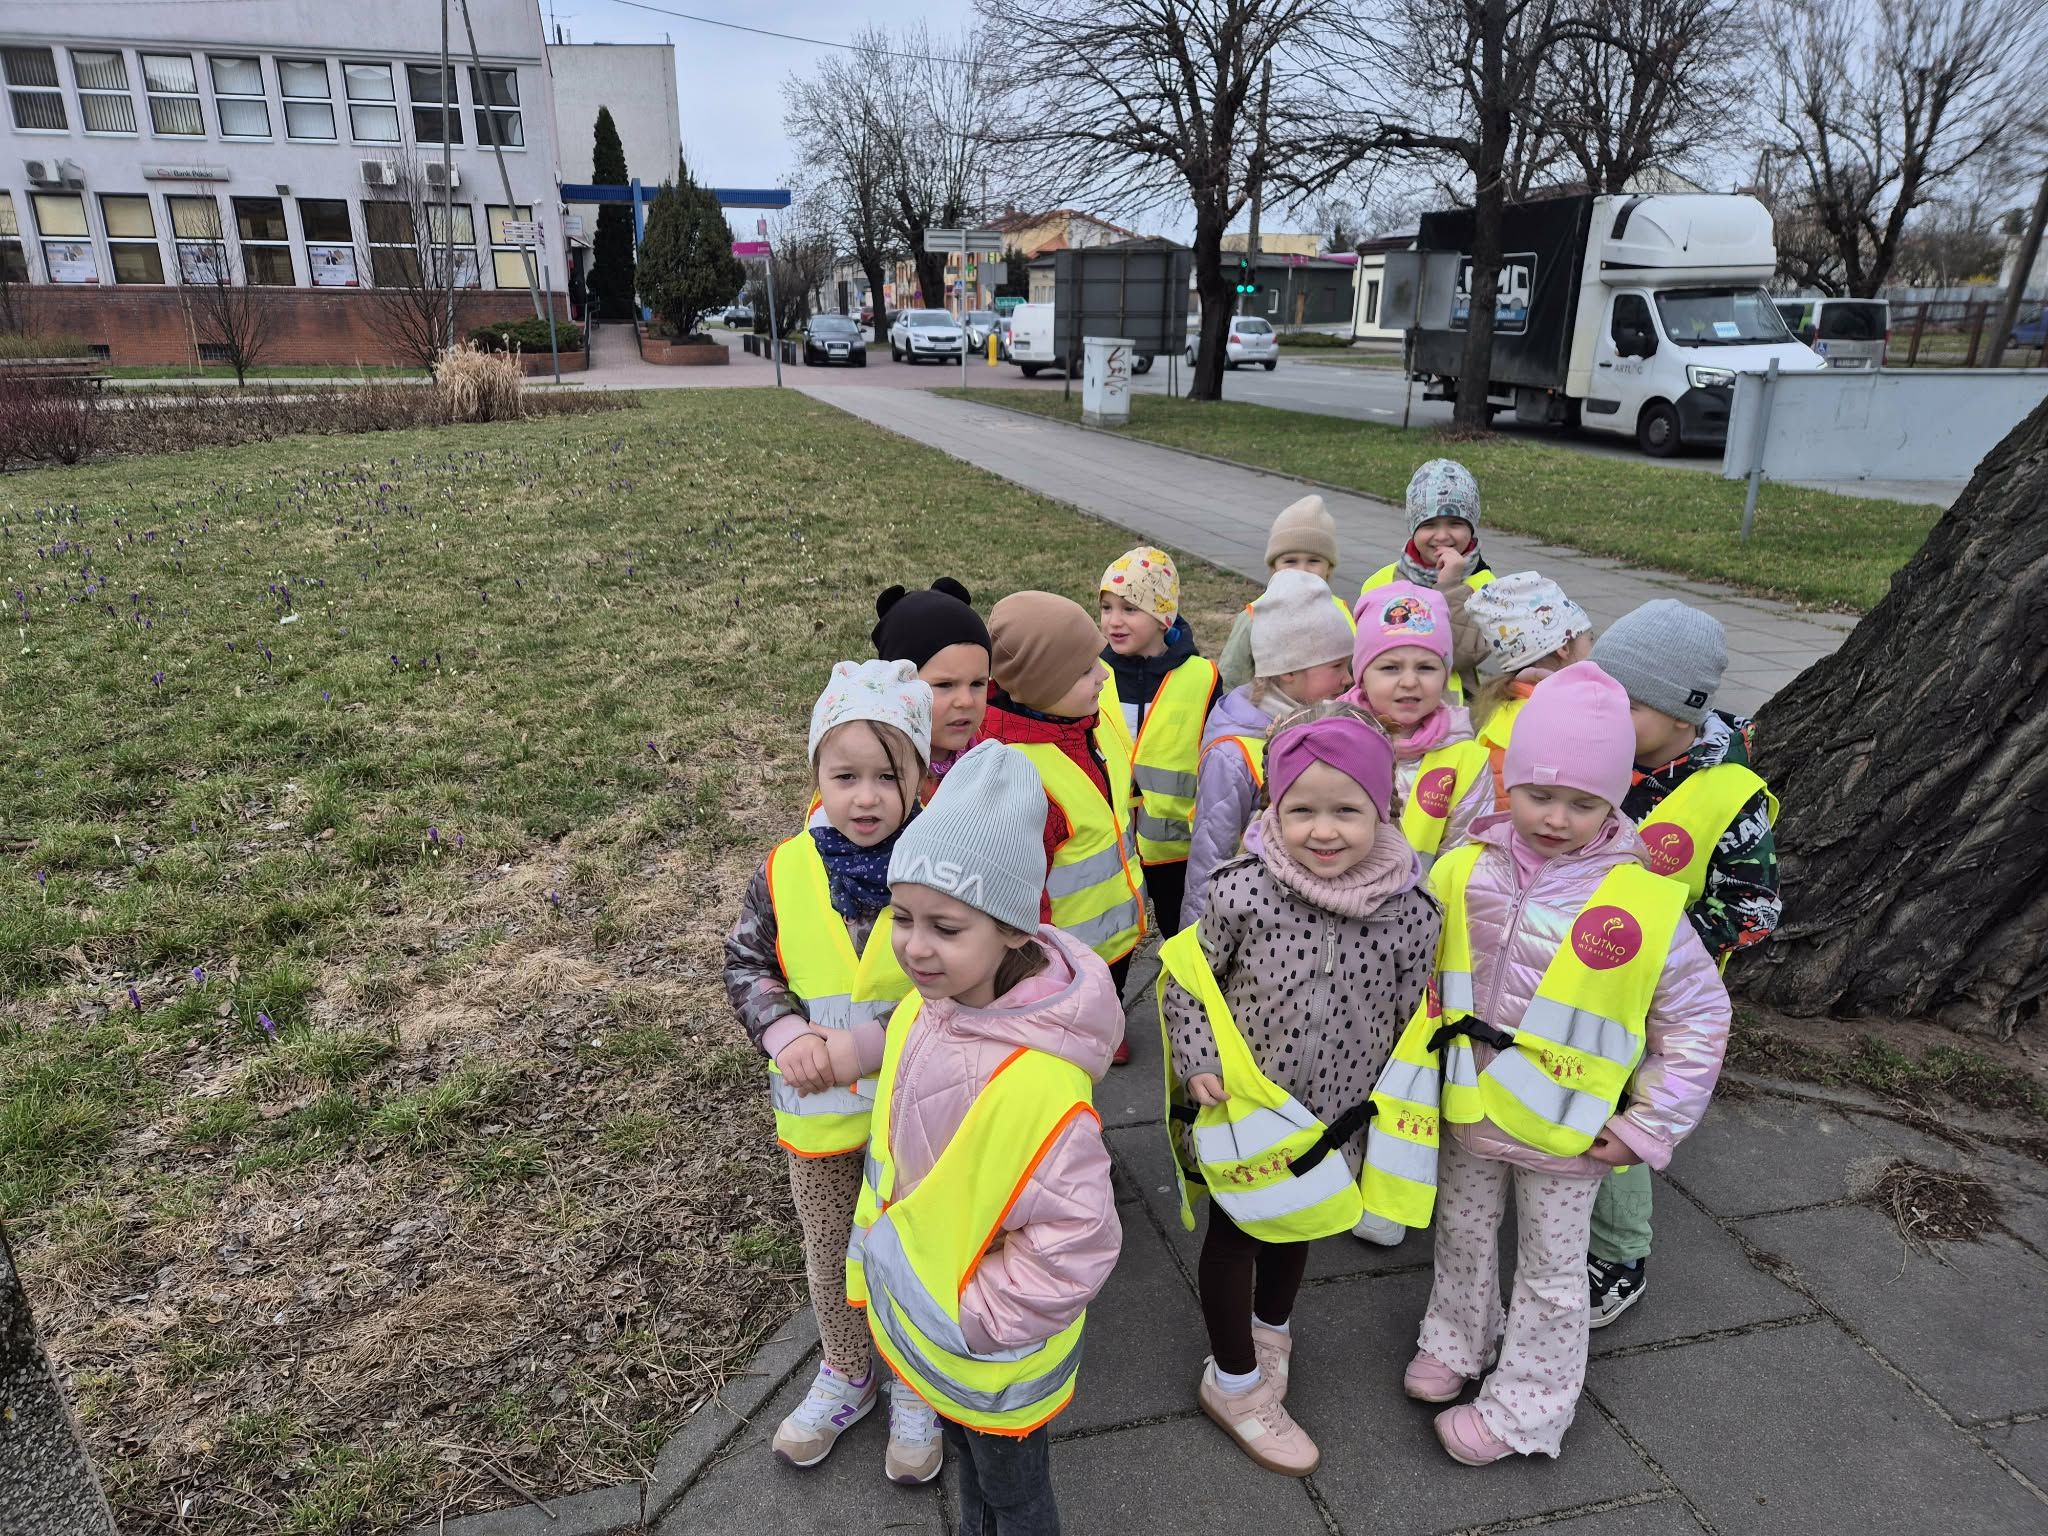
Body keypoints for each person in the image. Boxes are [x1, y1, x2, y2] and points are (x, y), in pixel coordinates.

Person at [1360, 662, 1730, 1466]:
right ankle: (1457, 1339)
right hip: (1468, 1106)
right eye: (1538, 794)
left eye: (1584, 802)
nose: (1557, 817)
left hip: (1570, 1131)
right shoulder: (1462, 868)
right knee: (1461, 1232)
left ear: (1615, 799)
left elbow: (1699, 1018)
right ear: (1511, 781)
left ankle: (1526, 1409)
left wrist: (1647, 1127)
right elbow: (1411, 966)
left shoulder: (1642, 903)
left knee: (1553, 1273)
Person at [849, 739, 1122, 1533]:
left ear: (1011, 930)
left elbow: (1078, 1237)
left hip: (992, 1351)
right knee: (973, 1476)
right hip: (937, 1325)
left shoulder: (1041, 1085)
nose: (914, 946)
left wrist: (979, 1319)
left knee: (1015, 1497)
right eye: (902, 918)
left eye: (945, 926)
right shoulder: (921, 1010)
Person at [1160, 703, 1441, 1475]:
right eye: (1301, 810)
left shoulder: (1412, 913)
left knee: (1301, 1223)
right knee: (1237, 1233)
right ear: (1273, 810)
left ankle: (1270, 1329)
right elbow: (1187, 983)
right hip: (1245, 1112)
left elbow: (1414, 1023)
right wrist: (1197, 1060)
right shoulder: (1240, 893)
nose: (1323, 831)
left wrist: (1398, 1119)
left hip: (1336, 1116)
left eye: (1346, 810)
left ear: (1383, 808)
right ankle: (1233, 1382)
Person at [723, 659, 944, 1483]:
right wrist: (782, 1031)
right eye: (844, 776)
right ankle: (847, 1373)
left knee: (915, 1249)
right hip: (817, 1120)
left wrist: (873, 1043)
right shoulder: (785, 868)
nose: (866, 798)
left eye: (889, 776)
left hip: (917, 1117)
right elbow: (747, 962)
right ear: (816, 772)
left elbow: (972, 984)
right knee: (828, 1249)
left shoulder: (944, 864)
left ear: (920, 776)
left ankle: (916, 1380)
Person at [1582, 600, 1782, 1326]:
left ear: (1680, 713)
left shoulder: (1727, 795)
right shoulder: (1605, 752)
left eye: (1628, 705)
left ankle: (1618, 1256)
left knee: (1618, 1118)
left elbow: (1755, 911)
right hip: (1573, 972)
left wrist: (1663, 936)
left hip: (1652, 996)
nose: (1606, 715)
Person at [975, 591, 1146, 1058]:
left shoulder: (1087, 720)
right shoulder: (1019, 774)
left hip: (1115, 927)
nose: (1105, 674)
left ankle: (1107, 1022)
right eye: (1086, 669)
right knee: (1073, 1027)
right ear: (1042, 686)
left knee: (1111, 990)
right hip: (1064, 957)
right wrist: (1039, 967)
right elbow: (1020, 891)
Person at [1183, 570, 1356, 929]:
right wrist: (1199, 939)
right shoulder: (1233, 753)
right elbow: (1210, 856)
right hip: (1252, 922)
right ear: (1289, 670)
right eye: (1337, 665)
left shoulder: (1322, 721)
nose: (1348, 678)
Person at [1098, 546, 1217, 940]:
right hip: (1112, 842)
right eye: (1106, 608)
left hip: (1176, 846)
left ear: (1163, 617)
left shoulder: (1201, 678)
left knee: (1181, 934)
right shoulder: (1092, 673)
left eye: (1130, 609)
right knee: (1113, 938)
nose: (1114, 621)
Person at [1346, 581, 1494, 876]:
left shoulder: (1466, 759)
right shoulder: (1330, 741)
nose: (1410, 682)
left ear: (1445, 676)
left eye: (1426, 668)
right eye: (1390, 668)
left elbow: (1464, 859)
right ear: (1362, 676)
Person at [1357, 460, 1496, 698]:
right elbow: (1362, 655)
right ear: (1413, 528)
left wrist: (1450, 587)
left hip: (1453, 707)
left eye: (1455, 523)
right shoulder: (1382, 582)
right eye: (1429, 525)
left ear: (1471, 527)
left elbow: (1462, 655)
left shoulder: (1486, 586)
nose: (1442, 536)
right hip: (1389, 703)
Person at [1464, 572, 1595, 810]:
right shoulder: (1547, 716)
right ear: (1564, 648)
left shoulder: (1509, 704)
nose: (1594, 651)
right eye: (1590, 640)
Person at [1217, 494, 1355, 690]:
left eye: (1314, 561)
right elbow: (1230, 679)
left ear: (1329, 568)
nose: (1302, 569)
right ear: (1274, 567)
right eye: (1290, 561)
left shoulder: (1341, 613)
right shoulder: (1255, 616)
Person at [872, 578, 992, 796]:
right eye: (945, 685)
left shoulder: (989, 759)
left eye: (977, 683)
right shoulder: (869, 770)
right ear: (898, 687)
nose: (966, 701)